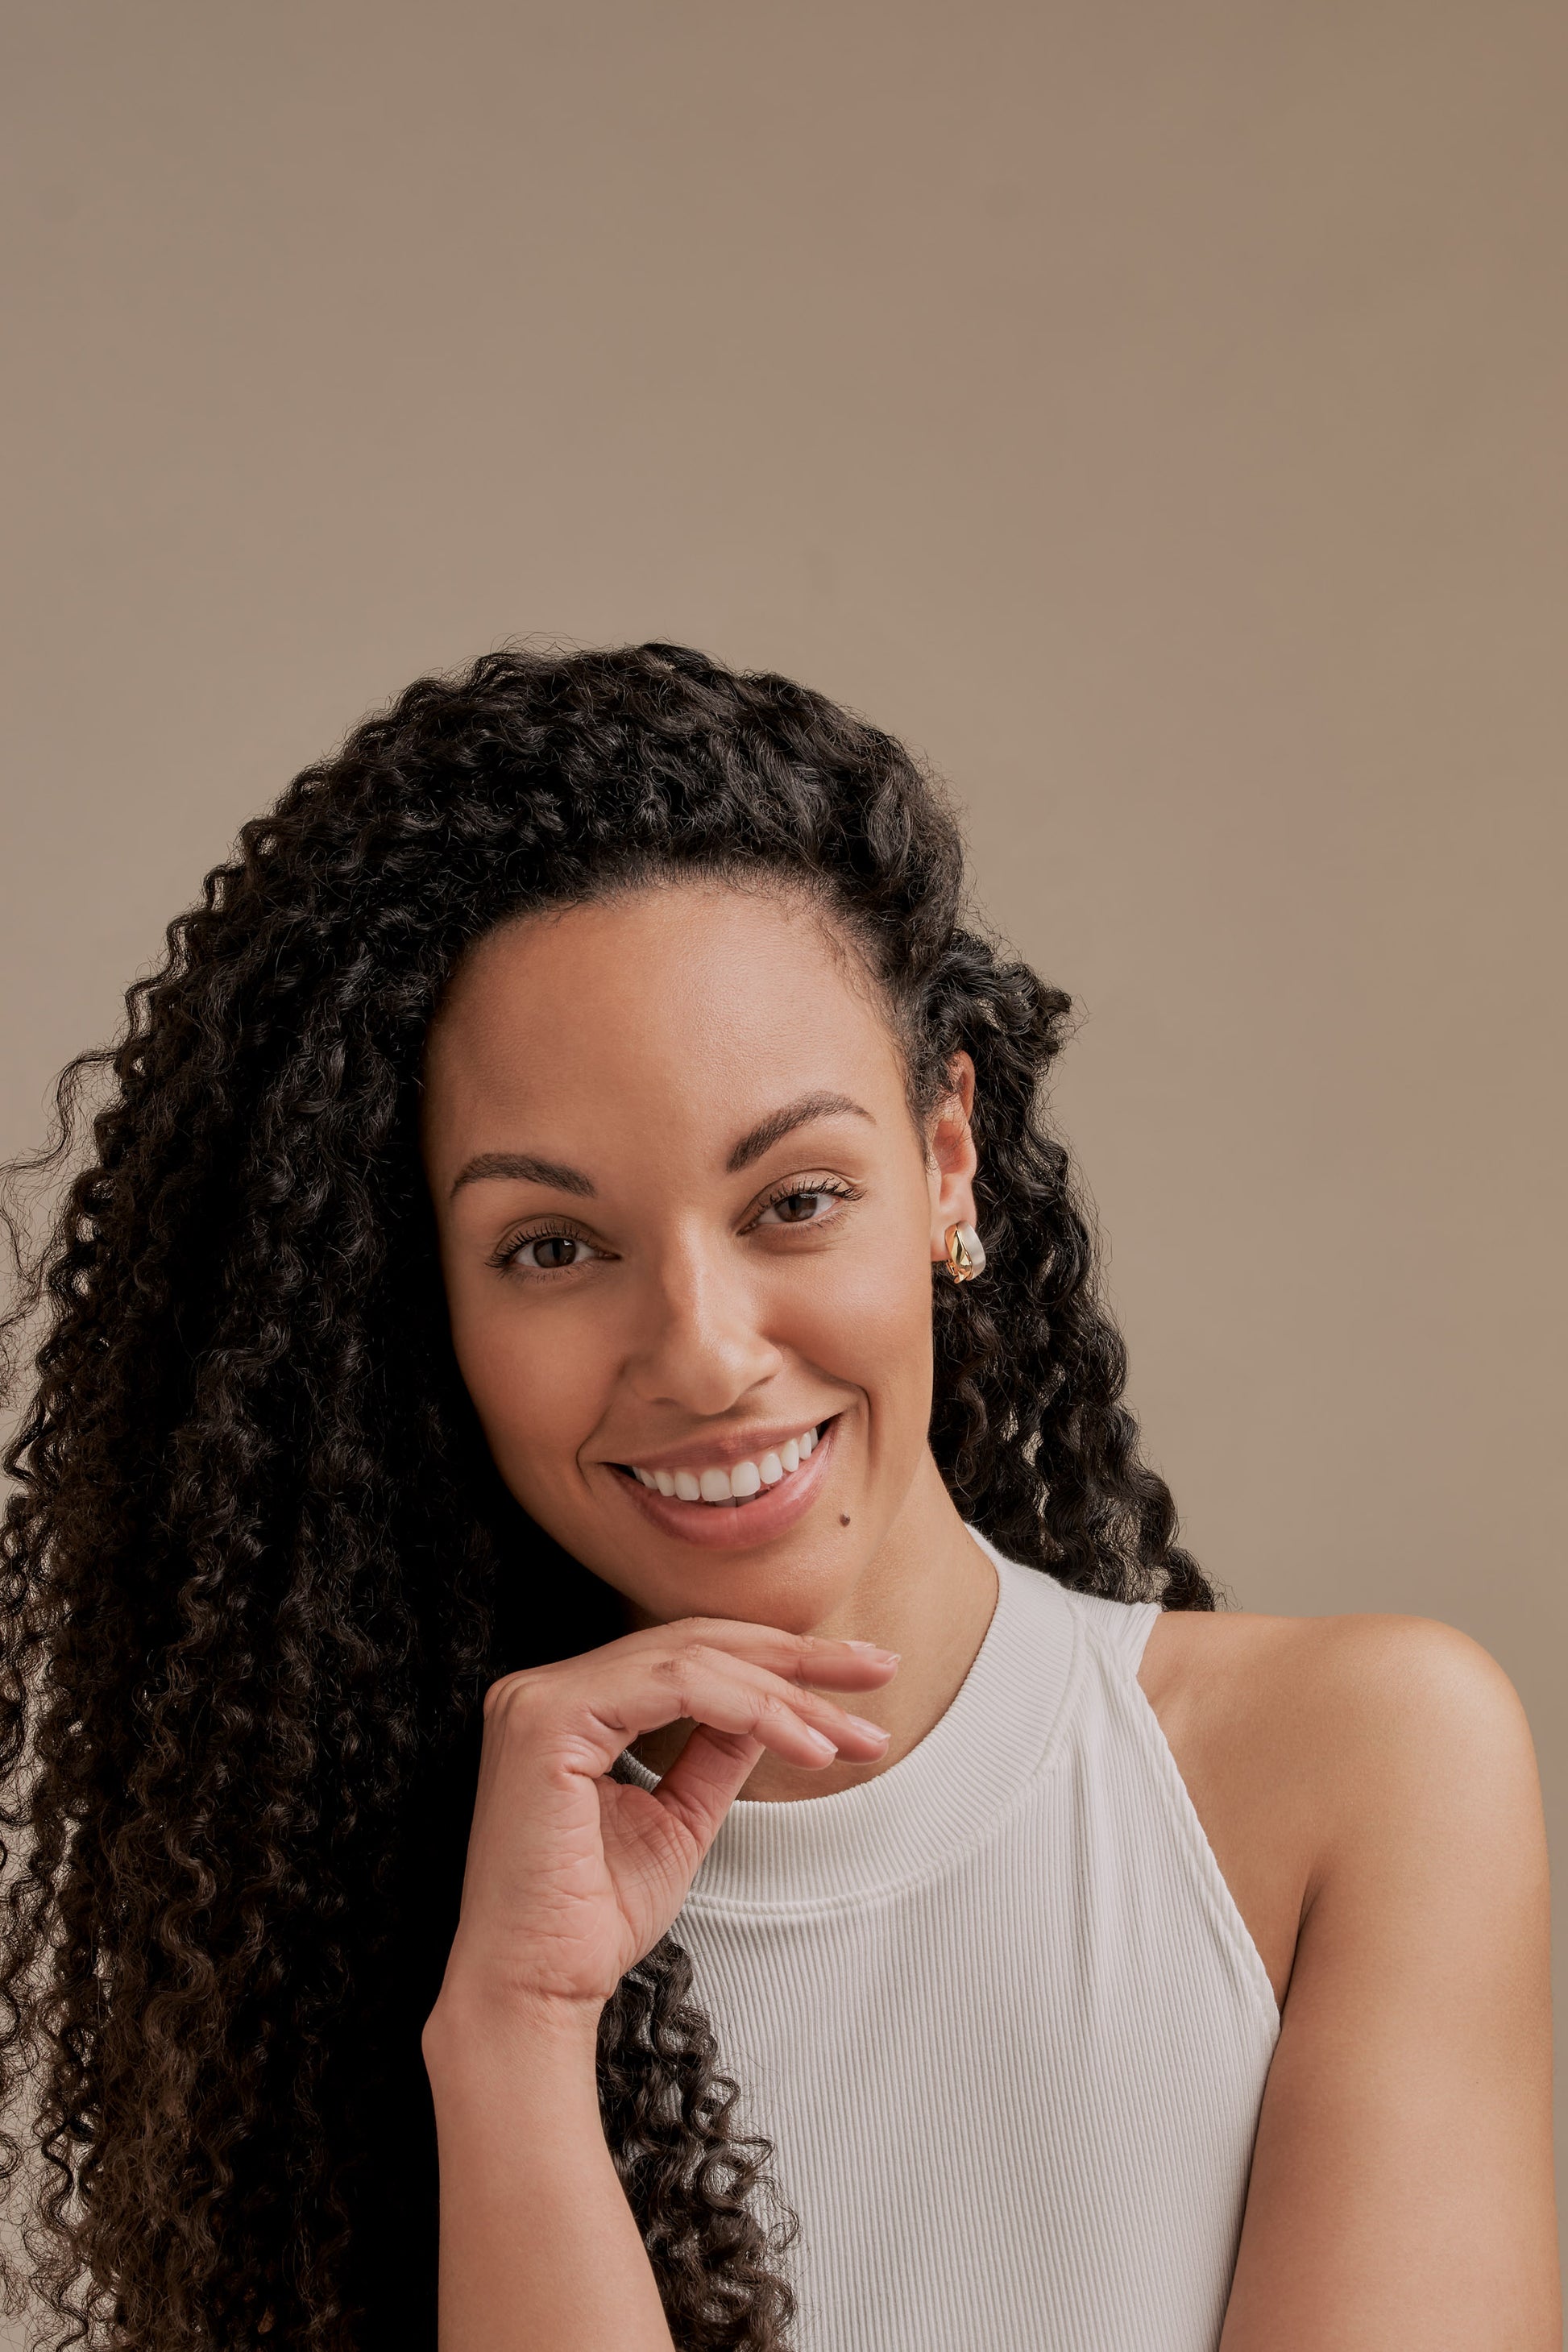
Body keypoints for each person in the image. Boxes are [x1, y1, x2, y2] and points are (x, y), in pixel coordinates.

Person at [0, 642, 1555, 2352]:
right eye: (550, 1245)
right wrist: (515, 2038)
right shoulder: (369, 1927)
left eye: (794, 1196)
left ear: (945, 1158)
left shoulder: (1350, 1769)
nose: (701, 1351)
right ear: (416, 1299)